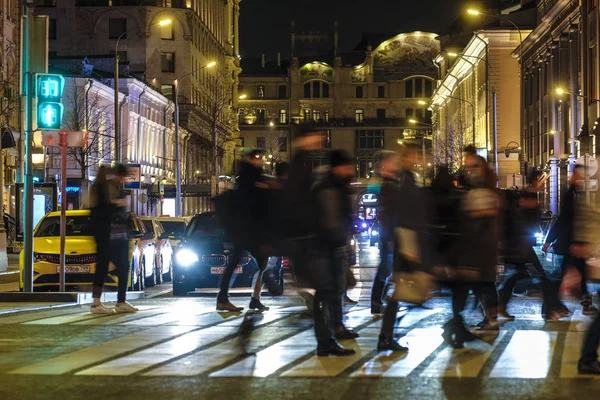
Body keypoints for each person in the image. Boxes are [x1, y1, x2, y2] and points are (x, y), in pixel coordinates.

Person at [378, 144, 433, 352]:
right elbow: (401, 216)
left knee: (402, 294)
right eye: (413, 154)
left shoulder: (408, 179)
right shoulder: (403, 182)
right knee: (402, 294)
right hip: (407, 245)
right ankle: (386, 336)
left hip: (408, 244)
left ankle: (387, 335)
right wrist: (409, 247)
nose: (416, 158)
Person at [444, 155, 501, 347]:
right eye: (468, 167)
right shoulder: (477, 192)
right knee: (476, 288)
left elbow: (478, 228)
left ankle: (458, 327)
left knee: (473, 289)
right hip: (474, 254)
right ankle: (458, 326)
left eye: (473, 167)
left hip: (476, 254)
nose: (470, 171)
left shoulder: (481, 193)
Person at [499, 169, 561, 321]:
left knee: (517, 276)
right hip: (523, 246)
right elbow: (525, 221)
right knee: (543, 276)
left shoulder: (529, 195)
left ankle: (497, 305)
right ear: (535, 179)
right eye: (541, 179)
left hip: (524, 245)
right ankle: (550, 309)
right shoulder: (528, 195)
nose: (542, 182)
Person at [313, 150, 360, 342]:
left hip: (336, 245)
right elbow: (331, 220)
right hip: (330, 246)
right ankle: (329, 330)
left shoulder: (339, 186)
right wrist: (340, 239)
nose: (350, 169)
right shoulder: (329, 188)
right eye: (346, 166)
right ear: (337, 167)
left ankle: (335, 326)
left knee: (336, 288)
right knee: (330, 289)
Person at [217, 149, 269, 312]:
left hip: (243, 229)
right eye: (258, 158)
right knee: (257, 262)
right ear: (251, 159)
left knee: (255, 262)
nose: (261, 161)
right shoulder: (249, 177)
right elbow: (252, 204)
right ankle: (226, 298)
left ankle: (248, 298)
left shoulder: (247, 176)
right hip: (245, 229)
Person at [544, 165, 598, 315]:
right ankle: (551, 305)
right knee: (564, 274)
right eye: (579, 175)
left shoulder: (578, 193)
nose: (581, 178)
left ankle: (555, 305)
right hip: (572, 243)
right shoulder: (570, 195)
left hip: (576, 242)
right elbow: (564, 220)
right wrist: (550, 240)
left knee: (577, 272)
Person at [90, 164, 139, 314]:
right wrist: (118, 204)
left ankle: (117, 302)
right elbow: (101, 212)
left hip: (116, 236)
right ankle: (102, 303)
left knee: (119, 267)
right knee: (109, 267)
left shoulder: (112, 189)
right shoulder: (104, 189)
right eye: (121, 176)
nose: (122, 179)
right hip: (109, 236)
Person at [371, 151, 402, 314]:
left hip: (391, 234)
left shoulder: (392, 183)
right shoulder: (389, 185)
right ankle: (377, 301)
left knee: (388, 269)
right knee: (386, 270)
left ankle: (379, 301)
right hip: (390, 235)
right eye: (393, 162)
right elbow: (388, 213)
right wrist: (390, 236)